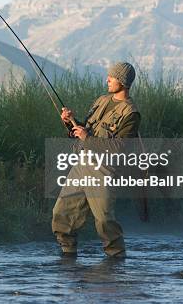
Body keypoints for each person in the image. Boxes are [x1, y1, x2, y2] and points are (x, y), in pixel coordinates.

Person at [52, 61, 141, 258]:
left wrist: (87, 138)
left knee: (104, 220)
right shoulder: (101, 100)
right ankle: (68, 256)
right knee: (62, 213)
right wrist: (70, 123)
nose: (108, 79)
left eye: (113, 77)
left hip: (104, 171)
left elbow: (120, 147)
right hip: (82, 164)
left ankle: (117, 260)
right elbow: (86, 130)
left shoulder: (131, 113)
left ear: (123, 82)